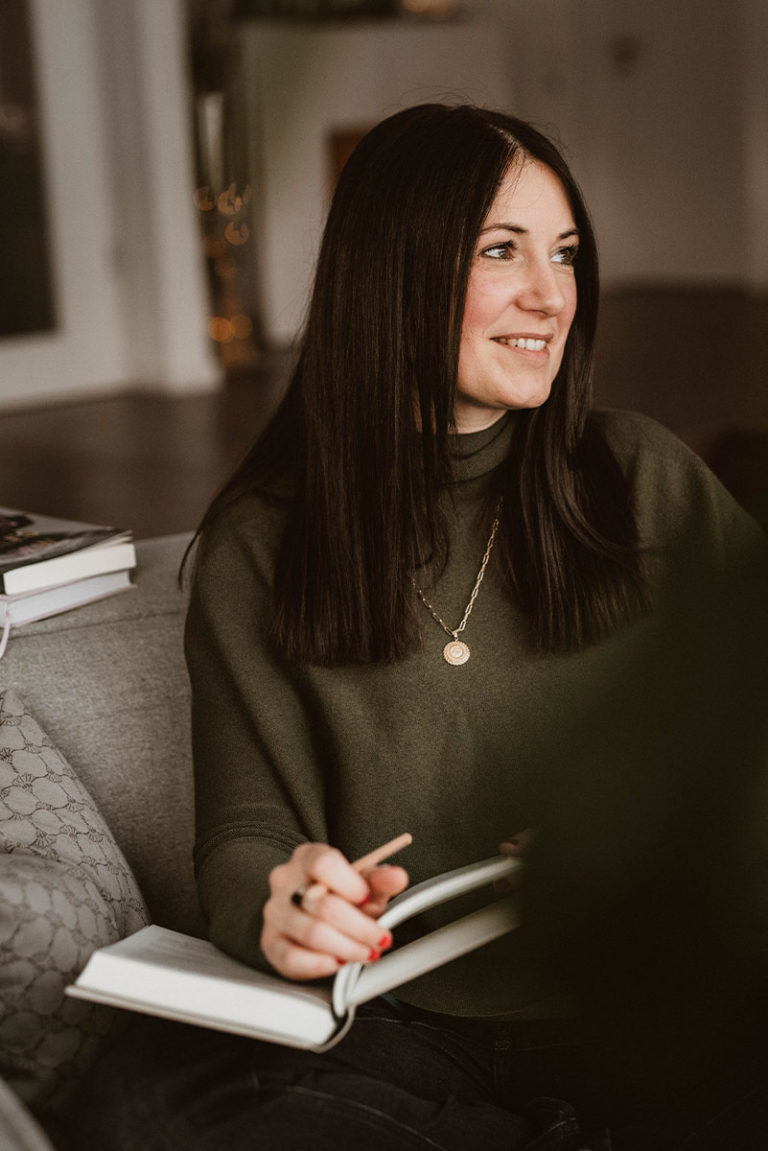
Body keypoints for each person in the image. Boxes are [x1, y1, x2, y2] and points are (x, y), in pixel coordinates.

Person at [69, 104, 767, 1150]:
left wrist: (656, 823)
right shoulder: (261, 545)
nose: (551, 294)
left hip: (660, 1006)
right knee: (135, 1100)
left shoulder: (643, 477)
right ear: (393, 271)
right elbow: (245, 832)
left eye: (566, 254)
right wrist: (285, 902)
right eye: (501, 250)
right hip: (401, 1027)